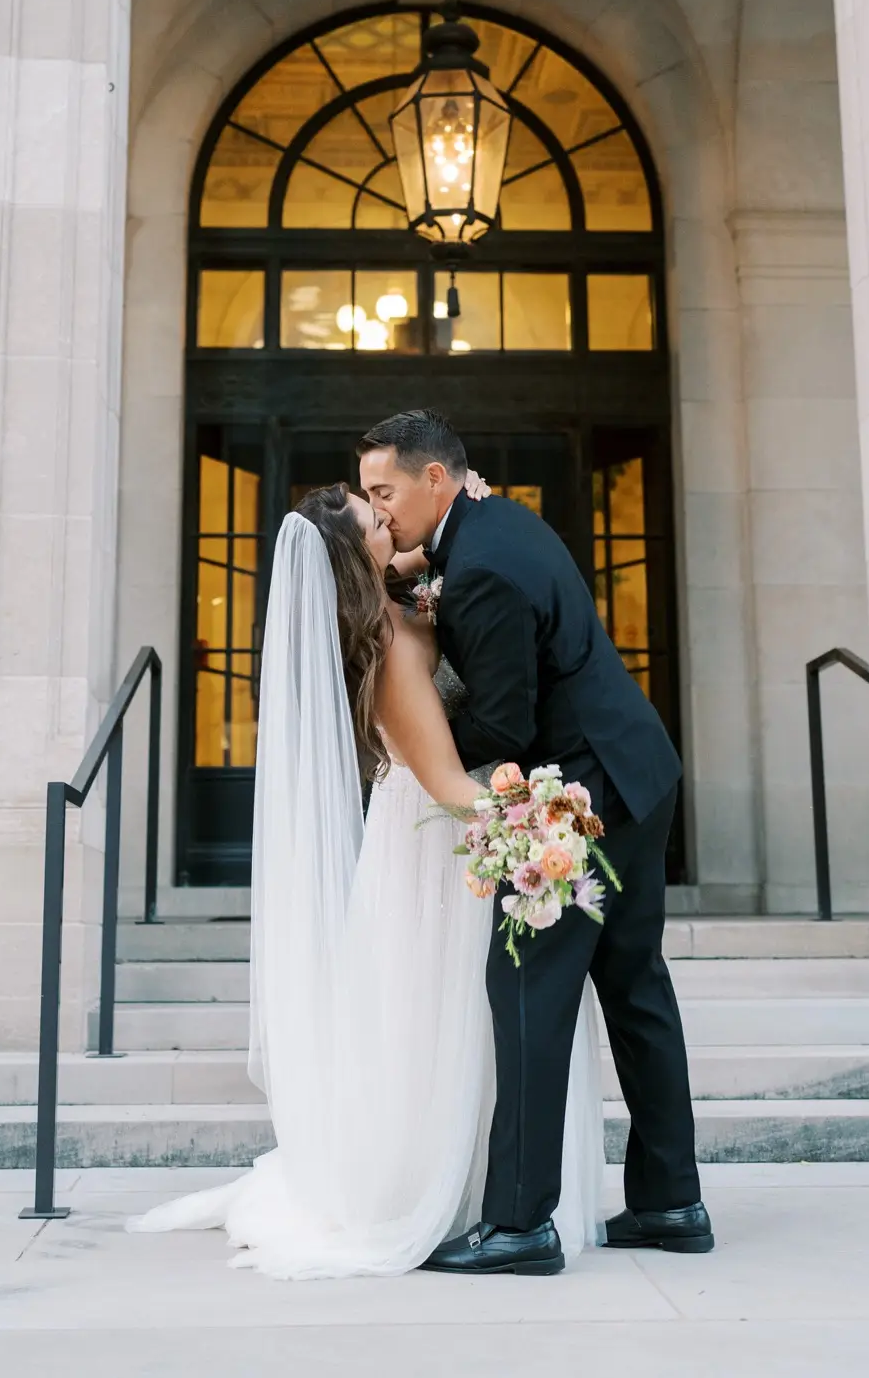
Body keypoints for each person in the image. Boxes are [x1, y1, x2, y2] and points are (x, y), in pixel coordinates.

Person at [126, 477, 605, 1278]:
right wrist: (542, 825)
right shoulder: (385, 651)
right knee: (441, 1018)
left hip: (435, 828)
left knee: (467, 1021)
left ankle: (500, 1192)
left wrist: (464, 499)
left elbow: (444, 537)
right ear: (354, 554)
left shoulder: (405, 590)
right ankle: (437, 1190)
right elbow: (450, 783)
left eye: (381, 502)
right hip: (434, 840)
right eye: (371, 518)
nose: (386, 518)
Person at [357, 409, 712, 1274]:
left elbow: (505, 723)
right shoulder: (498, 519)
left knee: (526, 995)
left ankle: (518, 1223)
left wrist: (416, 740)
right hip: (639, 767)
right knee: (634, 988)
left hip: (579, 796)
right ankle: (671, 1205)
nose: (382, 511)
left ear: (435, 479)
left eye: (385, 492)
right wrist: (413, 575)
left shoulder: (477, 572)